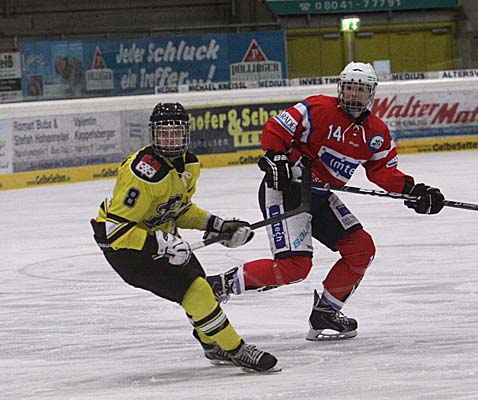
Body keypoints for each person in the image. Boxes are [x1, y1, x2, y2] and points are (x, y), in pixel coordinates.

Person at [207, 62, 445, 341]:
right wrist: (276, 157)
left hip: (320, 197)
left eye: (361, 90)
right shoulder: (318, 108)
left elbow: (383, 172)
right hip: (288, 192)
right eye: (350, 88)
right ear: (340, 89)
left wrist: (413, 190)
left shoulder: (376, 132)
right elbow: (276, 128)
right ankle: (218, 285)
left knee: (361, 249)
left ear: (371, 94)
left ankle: (326, 312)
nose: (354, 95)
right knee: (294, 266)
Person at [91, 102, 280, 372]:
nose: (170, 140)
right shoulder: (143, 174)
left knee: (201, 290)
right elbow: (115, 231)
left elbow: (177, 209)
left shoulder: (189, 165)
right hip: (128, 250)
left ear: (186, 134)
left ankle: (212, 344)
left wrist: (218, 225)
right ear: (153, 135)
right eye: (163, 133)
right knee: (196, 290)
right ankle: (235, 349)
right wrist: (161, 244)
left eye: (176, 133)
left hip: (161, 238)